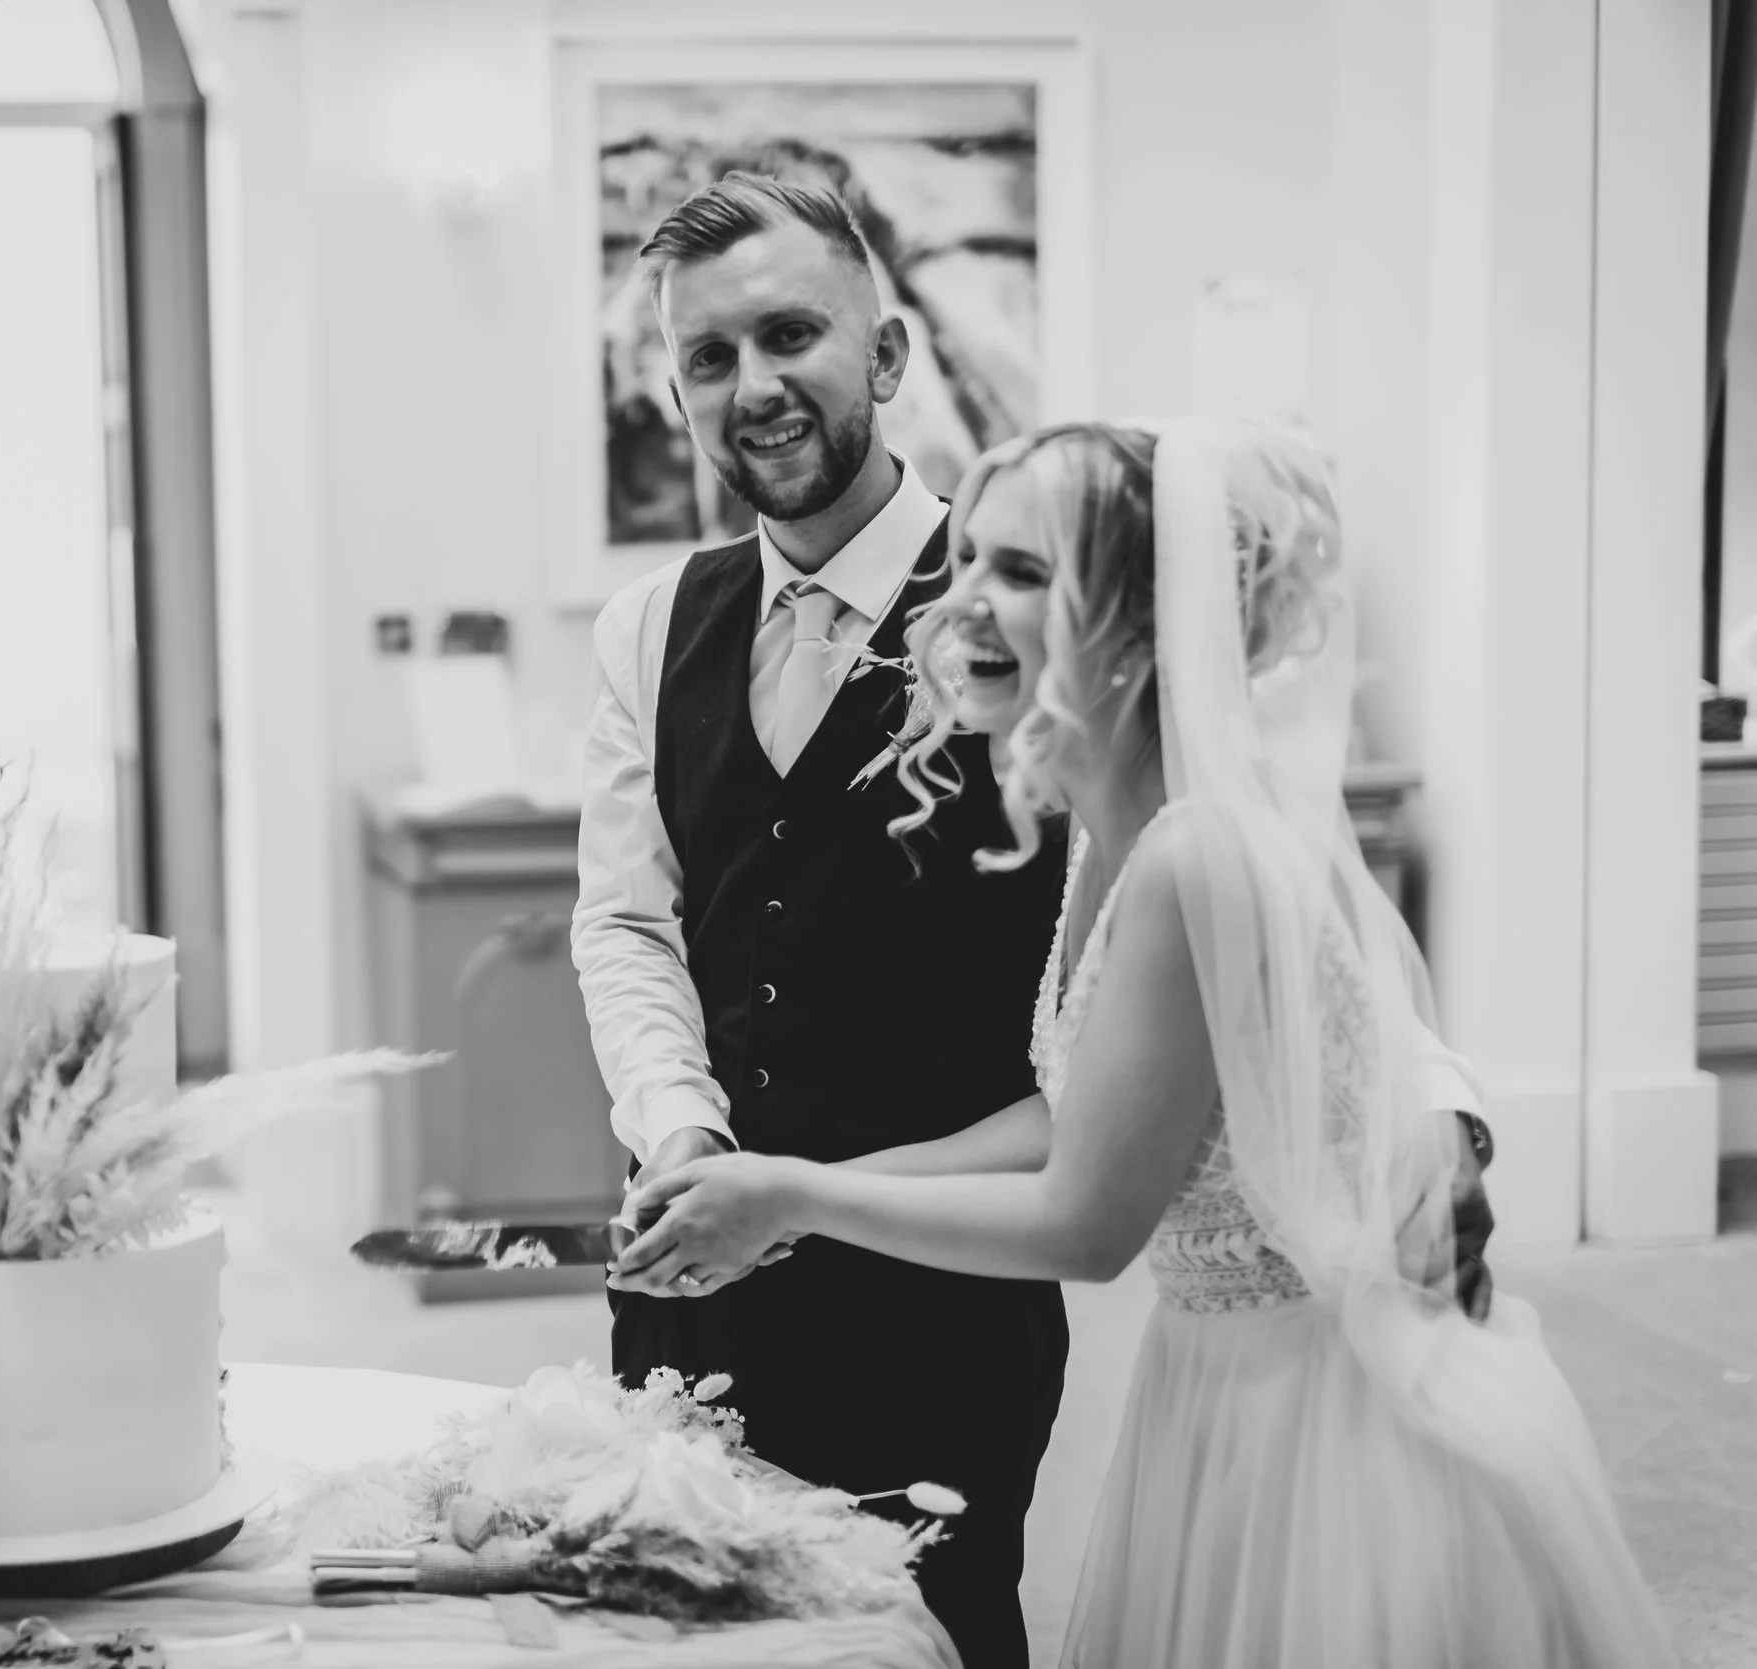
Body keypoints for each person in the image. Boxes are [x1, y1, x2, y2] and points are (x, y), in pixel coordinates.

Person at [610, 419, 1676, 1667]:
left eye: (1022, 572)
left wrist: (794, 1191)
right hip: (1212, 1370)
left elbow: (1086, 1224)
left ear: (1134, 615)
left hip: (1320, 1403)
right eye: (969, 566)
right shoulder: (1099, 833)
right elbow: (1074, 1113)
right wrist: (790, 1195)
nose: (962, 605)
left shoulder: (1193, 853)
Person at [569, 170, 1070, 1669]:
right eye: (708, 358)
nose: (753, 387)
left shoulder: (1025, 618)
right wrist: (681, 1133)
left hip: (944, 1297)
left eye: (792, 335)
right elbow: (628, 926)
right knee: (679, 1625)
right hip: (692, 1292)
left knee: (933, 1634)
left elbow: (1129, 972)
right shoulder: (648, 627)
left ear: (891, 358)